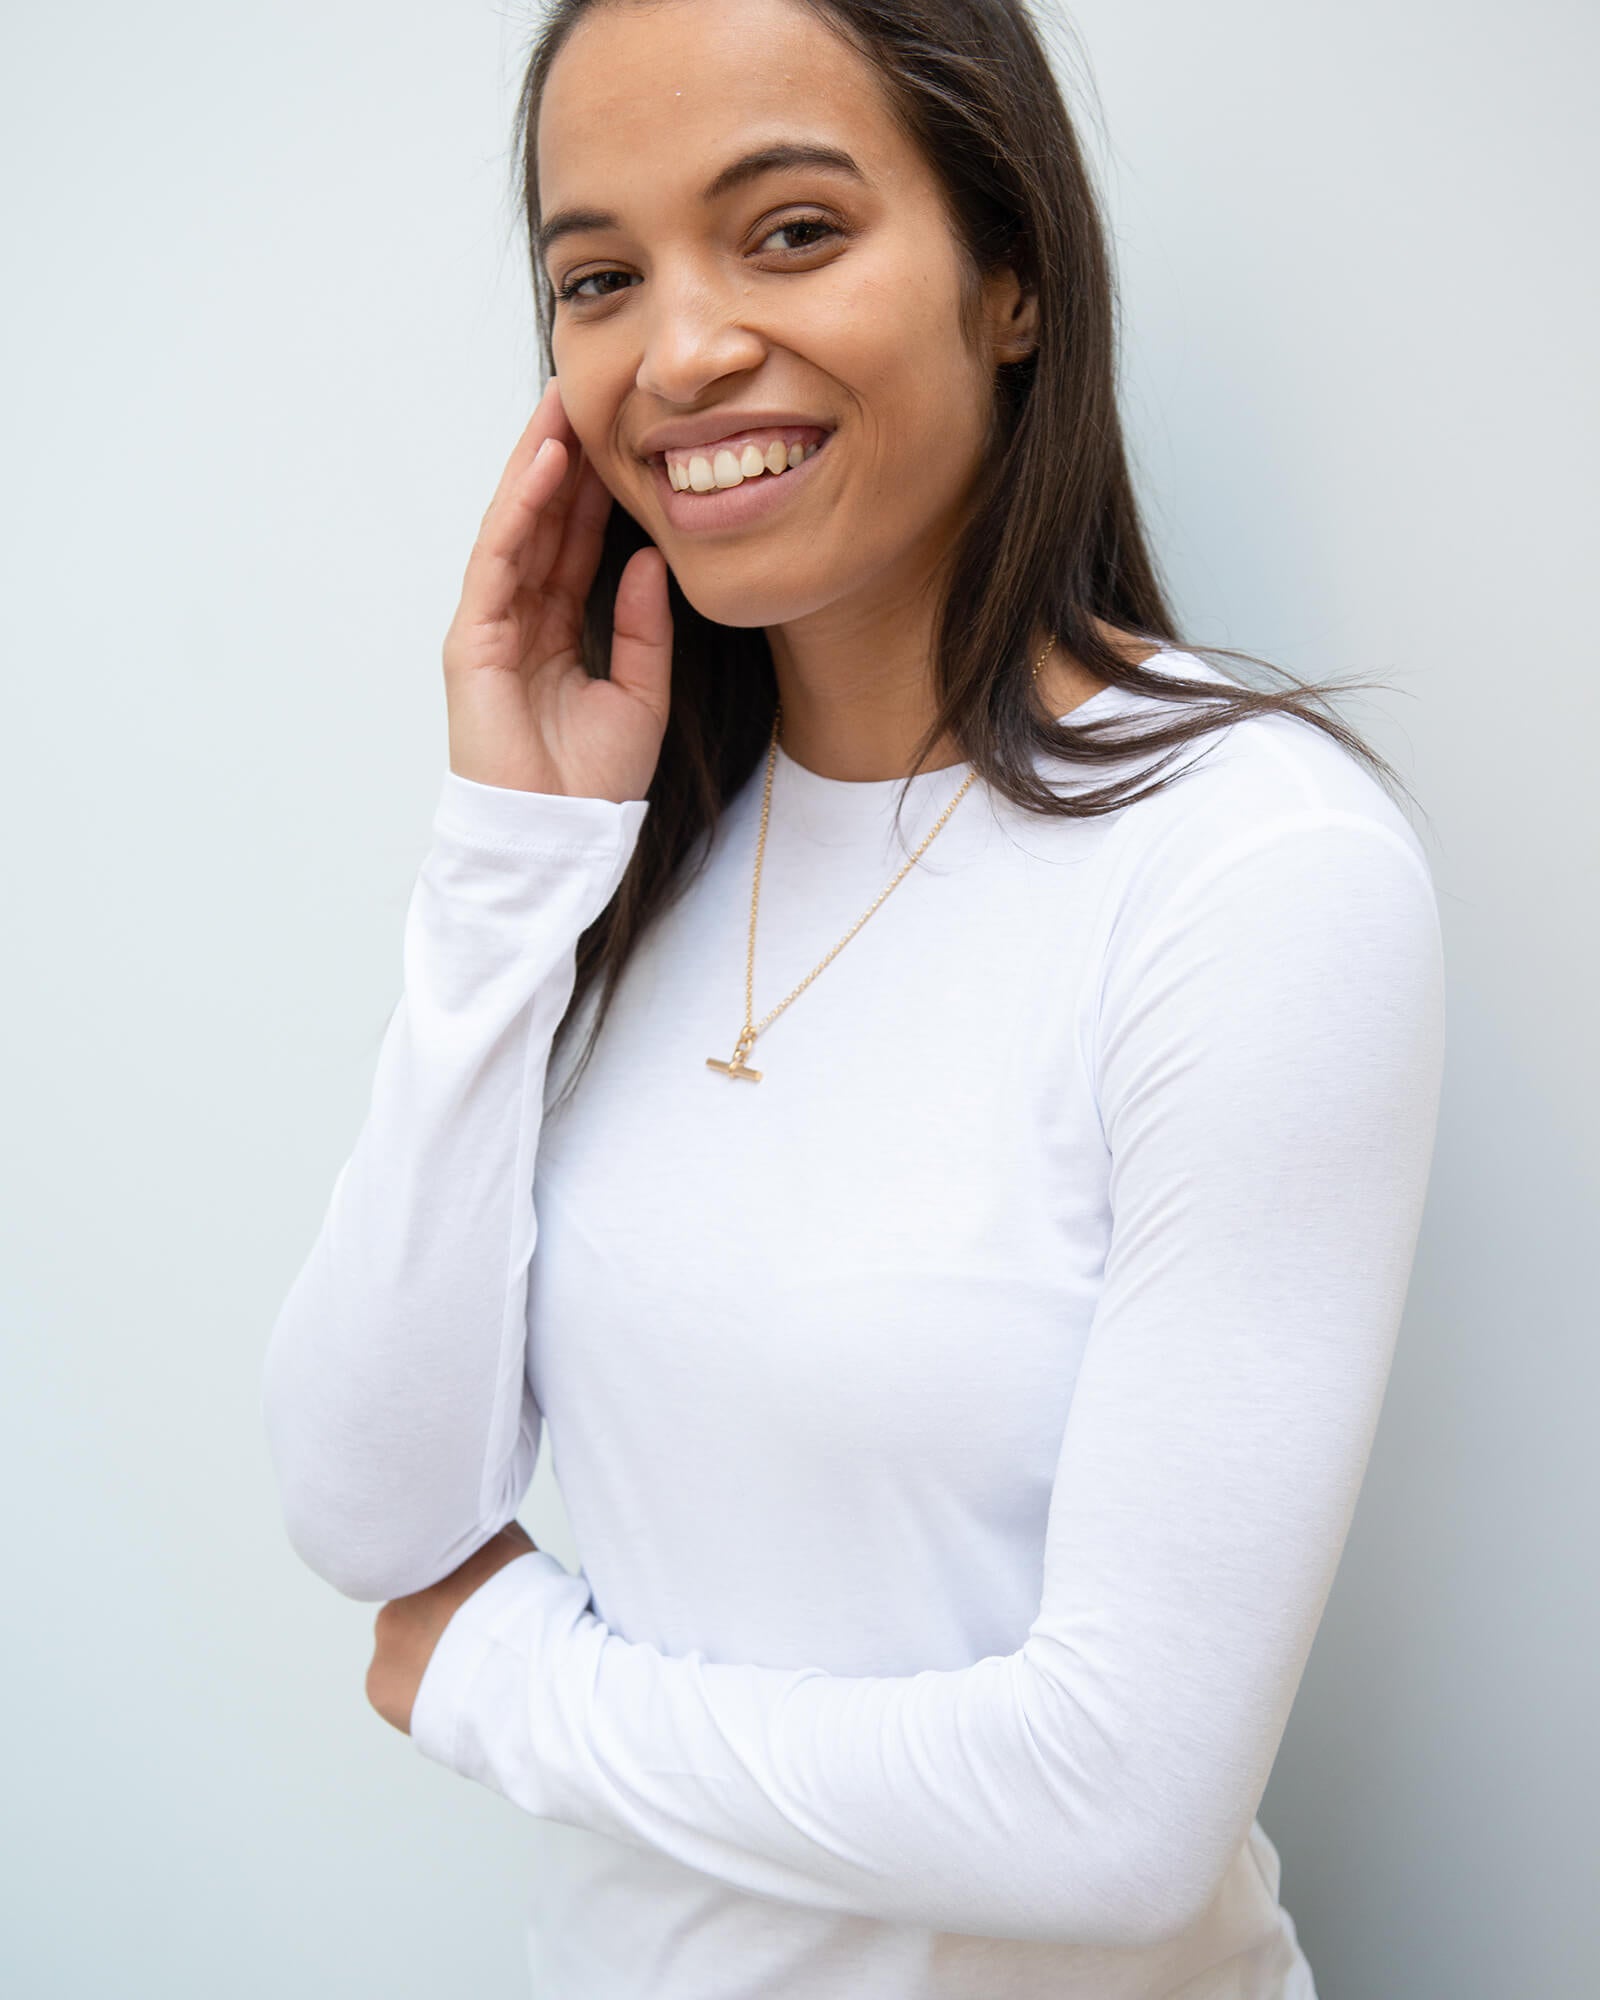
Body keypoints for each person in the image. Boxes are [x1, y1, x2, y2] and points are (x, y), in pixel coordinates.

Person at [260, 2, 1446, 1994]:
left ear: (1011, 279)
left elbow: (1114, 1811)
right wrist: (501, 866)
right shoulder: (629, 848)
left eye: (788, 230)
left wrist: (514, 1685)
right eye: (599, 278)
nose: (683, 345)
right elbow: (370, 1503)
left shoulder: (1246, 864)